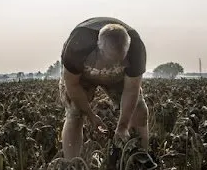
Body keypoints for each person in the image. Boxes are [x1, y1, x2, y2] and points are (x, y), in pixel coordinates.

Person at [58, 17, 149, 161]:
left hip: (117, 78)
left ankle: (140, 160)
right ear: (98, 46)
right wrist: (91, 116)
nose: (116, 63)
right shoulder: (78, 45)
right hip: (84, 76)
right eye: (111, 59)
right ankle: (72, 166)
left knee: (139, 109)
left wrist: (123, 126)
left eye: (121, 59)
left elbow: (132, 89)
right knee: (75, 112)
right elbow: (73, 85)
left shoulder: (136, 49)